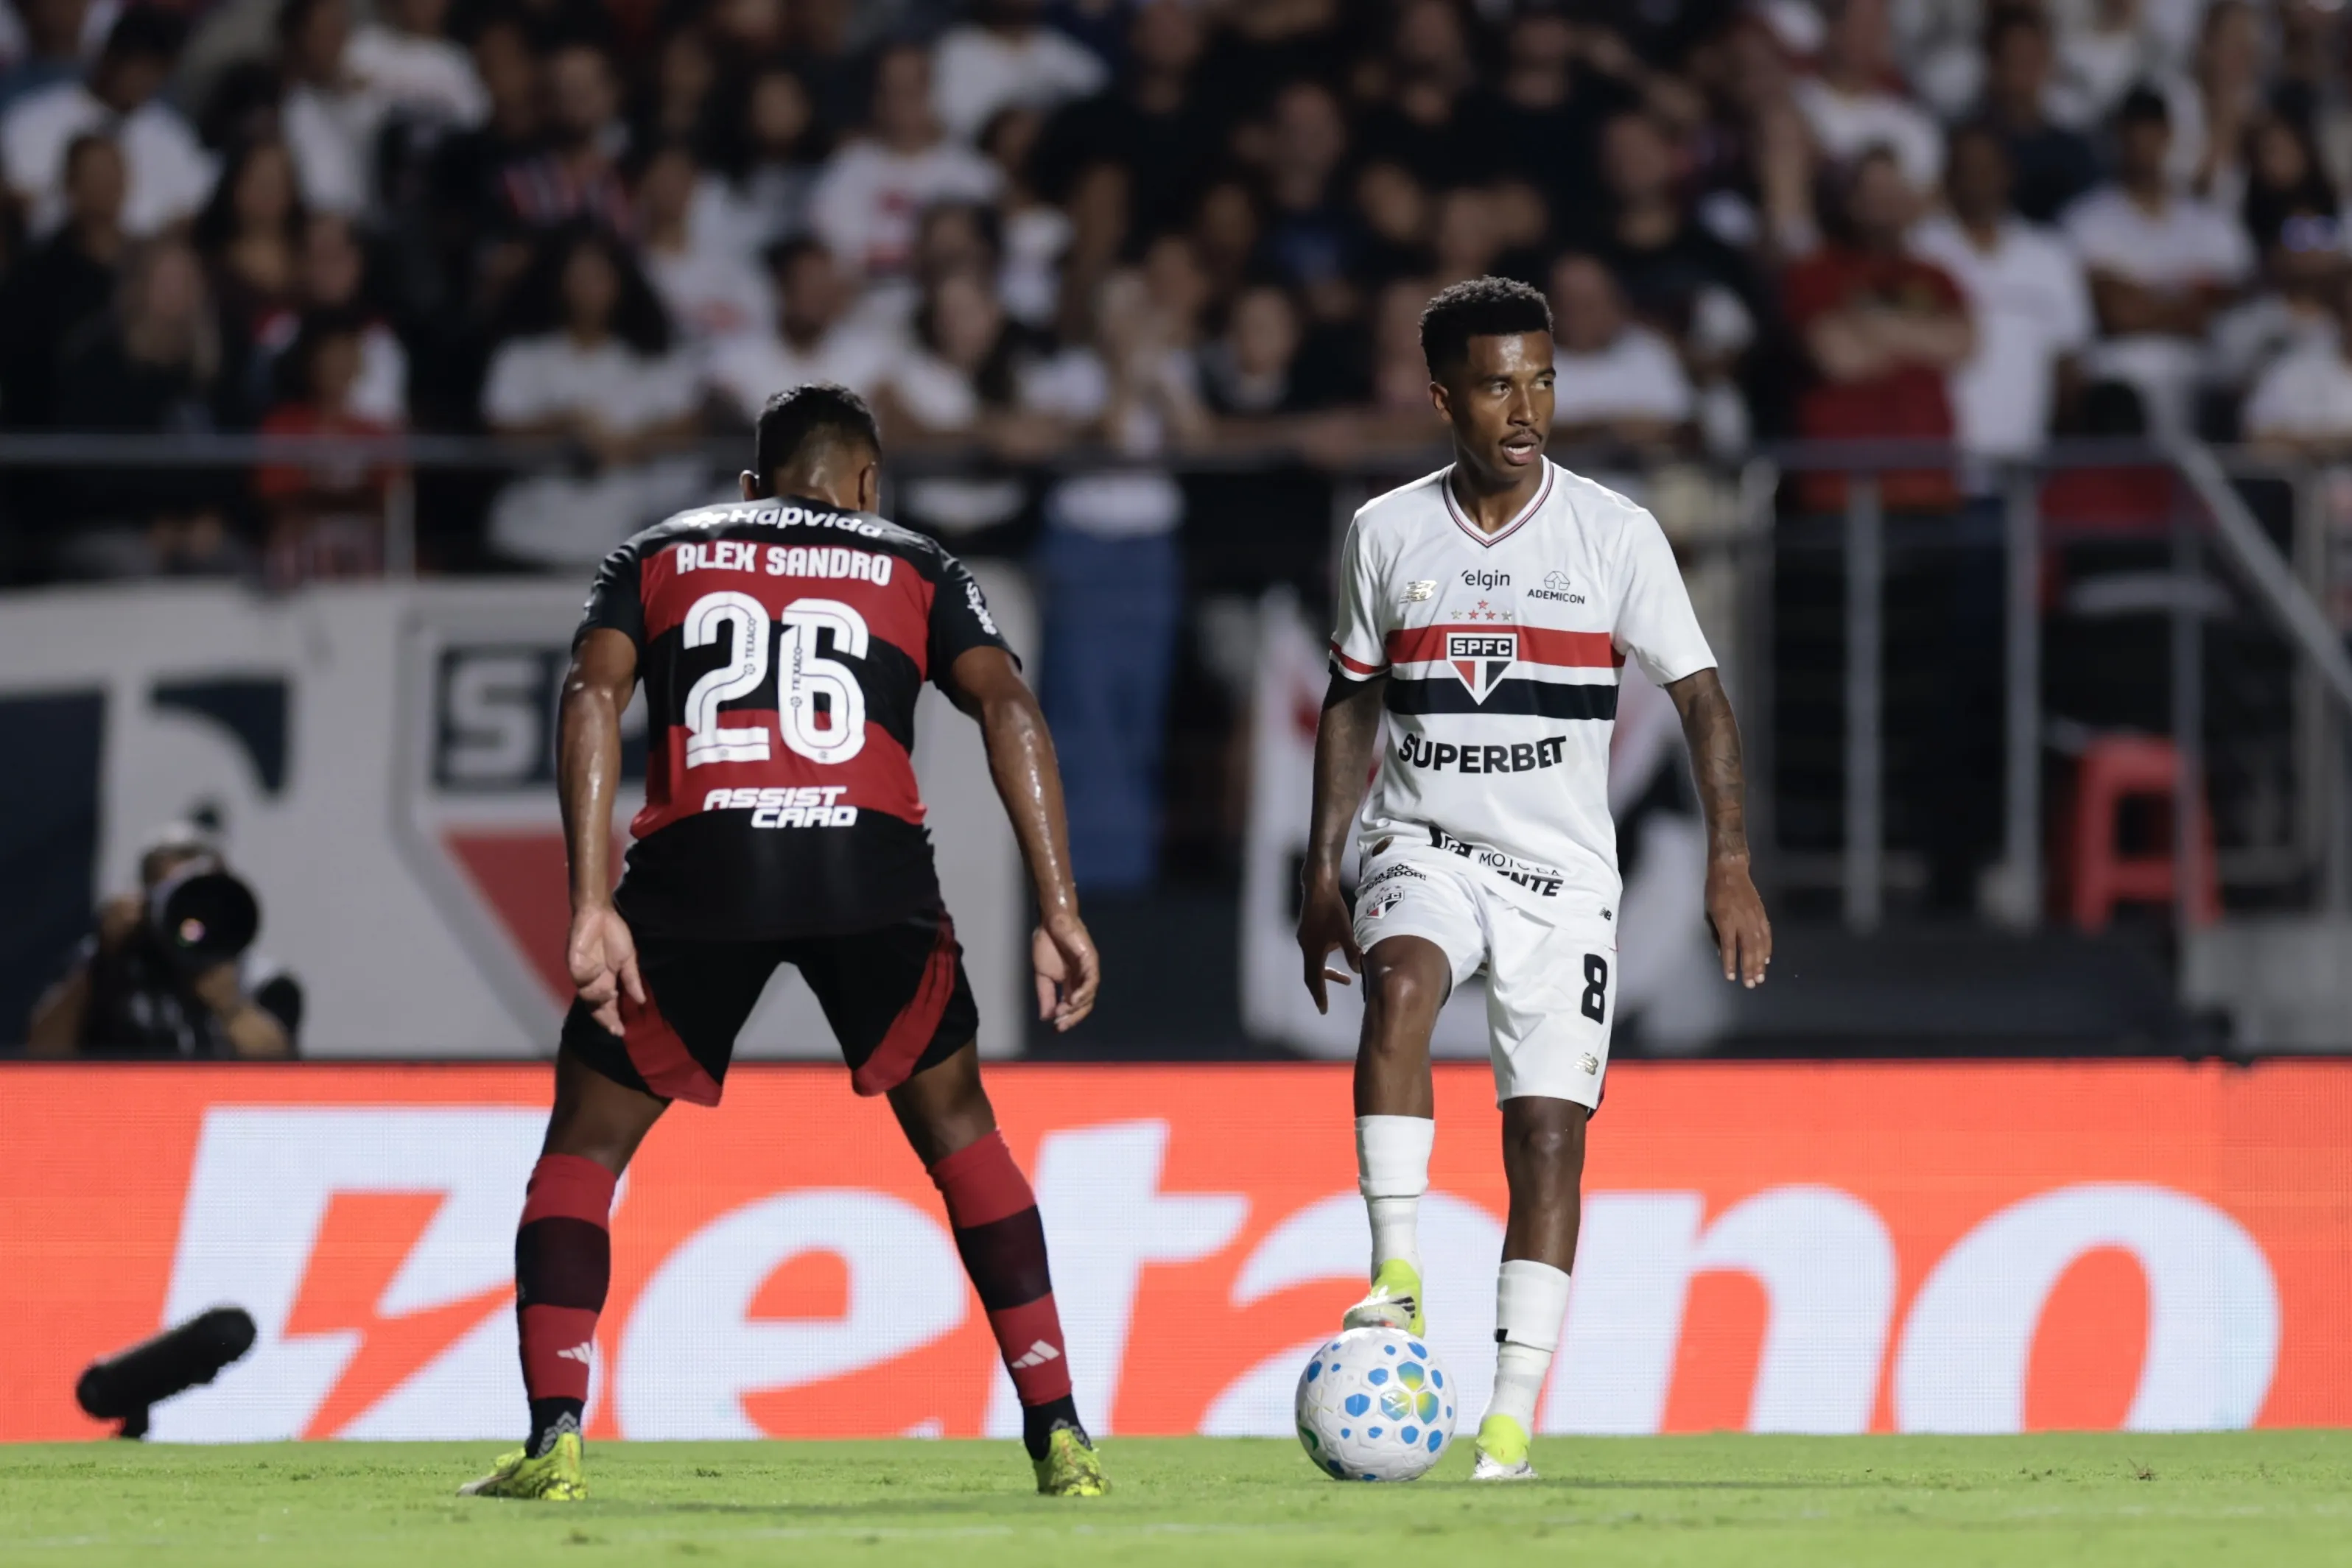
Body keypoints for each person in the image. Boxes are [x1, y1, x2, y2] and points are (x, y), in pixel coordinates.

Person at [458, 382, 1106, 1502]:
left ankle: (554, 1435)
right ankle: (1060, 1434)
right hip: (869, 869)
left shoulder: (657, 550)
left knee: (585, 1145)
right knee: (961, 1134)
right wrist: (1058, 904)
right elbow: (1009, 708)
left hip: (699, 868)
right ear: (867, 484)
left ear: (752, 486)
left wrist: (586, 902)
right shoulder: (915, 560)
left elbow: (587, 695)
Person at [1295, 276, 1769, 1482]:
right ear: (1441, 392)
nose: (1526, 406)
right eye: (1499, 382)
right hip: (1422, 847)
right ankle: (1394, 1271)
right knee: (1397, 986)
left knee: (1546, 1135)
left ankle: (1506, 1417)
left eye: (1542, 379)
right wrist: (1321, 867)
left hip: (1563, 878)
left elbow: (1700, 698)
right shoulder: (1386, 531)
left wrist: (1729, 858)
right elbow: (1352, 699)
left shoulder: (1612, 532)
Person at [27, 823, 300, 1058]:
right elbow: (42, 1051)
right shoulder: (105, 965)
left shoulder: (260, 978)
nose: (191, 914)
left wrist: (232, 1009)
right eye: (175, 894)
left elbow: (284, 1077)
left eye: (202, 893)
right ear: (145, 897)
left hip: (219, 1114)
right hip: (127, 1112)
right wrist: (100, 963)